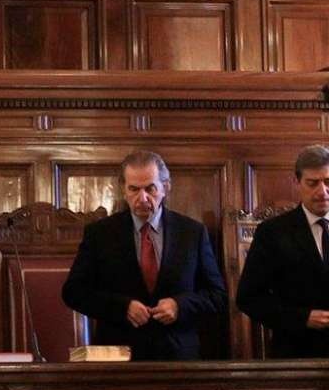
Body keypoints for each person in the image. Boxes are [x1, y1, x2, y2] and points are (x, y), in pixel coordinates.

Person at [62, 151, 227, 360]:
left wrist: (179, 306)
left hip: (177, 356)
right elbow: (73, 292)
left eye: (150, 188)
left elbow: (217, 296)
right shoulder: (100, 234)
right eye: (134, 189)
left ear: (165, 187)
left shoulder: (192, 233)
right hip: (118, 356)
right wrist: (122, 308)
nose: (142, 198)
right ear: (123, 190)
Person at [237, 145, 329, 357]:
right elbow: (249, 298)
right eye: (312, 183)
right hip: (298, 354)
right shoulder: (272, 233)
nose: (322, 192)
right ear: (296, 182)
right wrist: (301, 318)